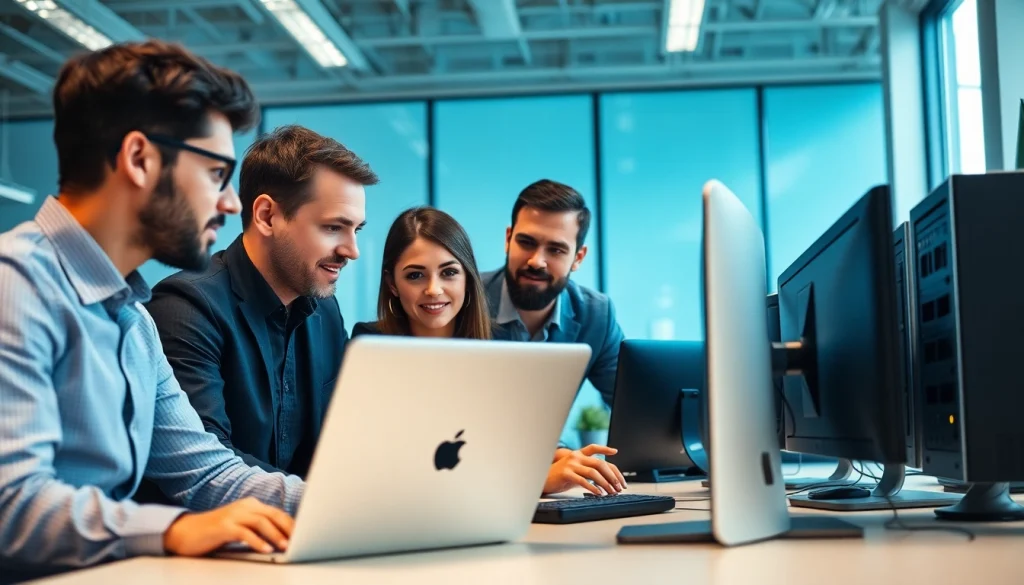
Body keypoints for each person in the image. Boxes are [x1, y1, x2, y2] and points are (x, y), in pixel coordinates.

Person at [0, 41, 302, 579]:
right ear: (139, 158)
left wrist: (352, 505)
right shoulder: (16, 283)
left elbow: (209, 474)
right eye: (216, 175)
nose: (230, 203)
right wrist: (168, 529)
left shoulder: (131, 317)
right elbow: (12, 506)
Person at [145, 125, 378, 480]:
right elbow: (207, 468)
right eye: (333, 228)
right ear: (267, 216)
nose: (352, 251)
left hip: (303, 527)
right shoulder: (186, 308)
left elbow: (337, 439)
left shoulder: (326, 311)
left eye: (356, 230)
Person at [353, 207, 627, 496]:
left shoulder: (500, 345)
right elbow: (389, 467)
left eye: (449, 273)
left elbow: (516, 441)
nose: (434, 289)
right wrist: (536, 482)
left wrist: (560, 456)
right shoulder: (369, 346)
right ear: (392, 284)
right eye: (415, 275)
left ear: (468, 279)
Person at [482, 179, 625, 408]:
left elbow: (633, 403)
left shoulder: (596, 315)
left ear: (578, 258)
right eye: (526, 242)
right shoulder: (463, 299)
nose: (536, 261)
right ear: (508, 239)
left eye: (556, 250)